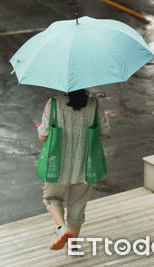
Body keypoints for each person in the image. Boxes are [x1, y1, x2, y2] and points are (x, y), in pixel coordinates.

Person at [37, 89, 110, 251]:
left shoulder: (53, 104)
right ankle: (73, 249)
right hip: (86, 165)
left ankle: (62, 228)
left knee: (52, 198)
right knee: (77, 207)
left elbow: (43, 136)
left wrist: (41, 128)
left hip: (57, 166)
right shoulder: (94, 105)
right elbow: (105, 132)